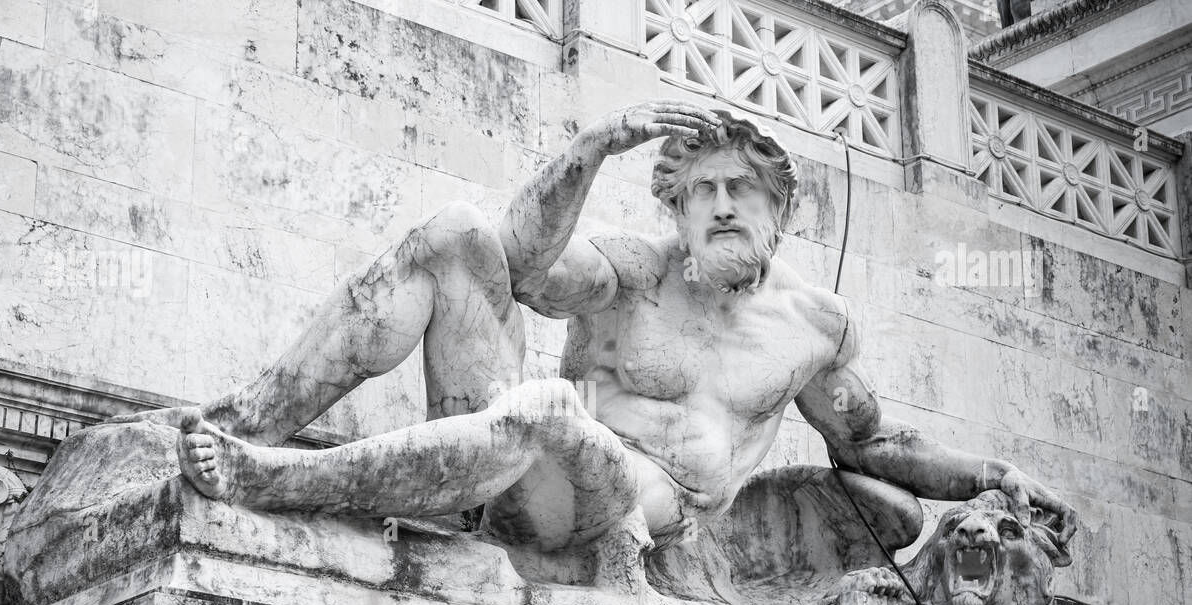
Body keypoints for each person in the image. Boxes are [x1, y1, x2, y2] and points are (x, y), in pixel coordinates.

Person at [123, 100, 1075, 561]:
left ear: (780, 209)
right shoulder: (637, 267)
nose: (718, 205)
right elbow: (527, 267)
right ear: (675, 207)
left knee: (546, 411)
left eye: (739, 189)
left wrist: (993, 476)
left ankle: (279, 484)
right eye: (698, 191)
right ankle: (251, 421)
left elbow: (872, 442)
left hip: (613, 506)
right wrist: (591, 148)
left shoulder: (812, 329)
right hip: (502, 465)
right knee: (455, 236)